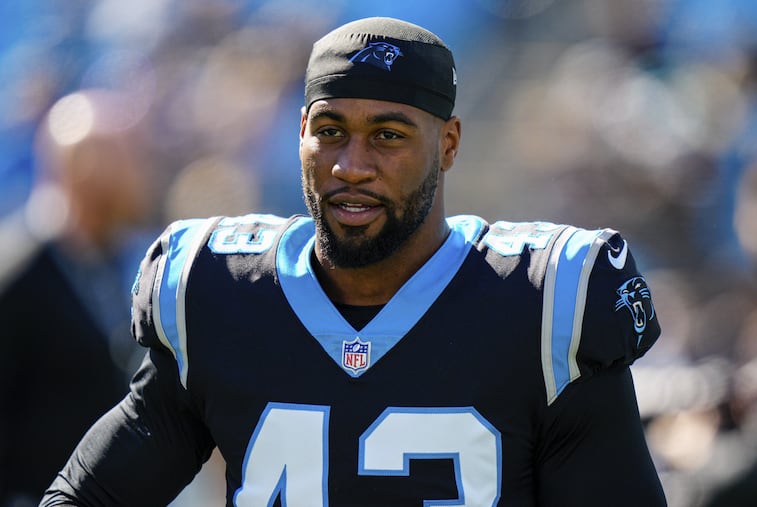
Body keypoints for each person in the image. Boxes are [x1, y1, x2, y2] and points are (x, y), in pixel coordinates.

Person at [41, 17, 666, 506]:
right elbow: (86, 497)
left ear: (448, 144)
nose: (351, 165)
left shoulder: (545, 302)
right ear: (301, 134)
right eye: (331, 131)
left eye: (388, 136)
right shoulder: (219, 292)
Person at [0, 90, 152, 506]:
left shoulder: (110, 261)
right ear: (85, 167)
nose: (138, 175)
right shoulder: (16, 274)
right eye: (124, 158)